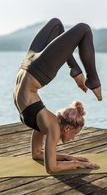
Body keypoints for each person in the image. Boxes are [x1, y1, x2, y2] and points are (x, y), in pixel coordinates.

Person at [13, 18, 102, 173]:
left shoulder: (44, 123)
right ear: (67, 128)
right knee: (84, 29)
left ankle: (74, 68)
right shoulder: (52, 126)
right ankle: (92, 79)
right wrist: (79, 164)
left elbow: (36, 154)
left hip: (27, 65)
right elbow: (52, 168)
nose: (74, 138)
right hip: (36, 71)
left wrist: (68, 157)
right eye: (75, 134)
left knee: (57, 24)